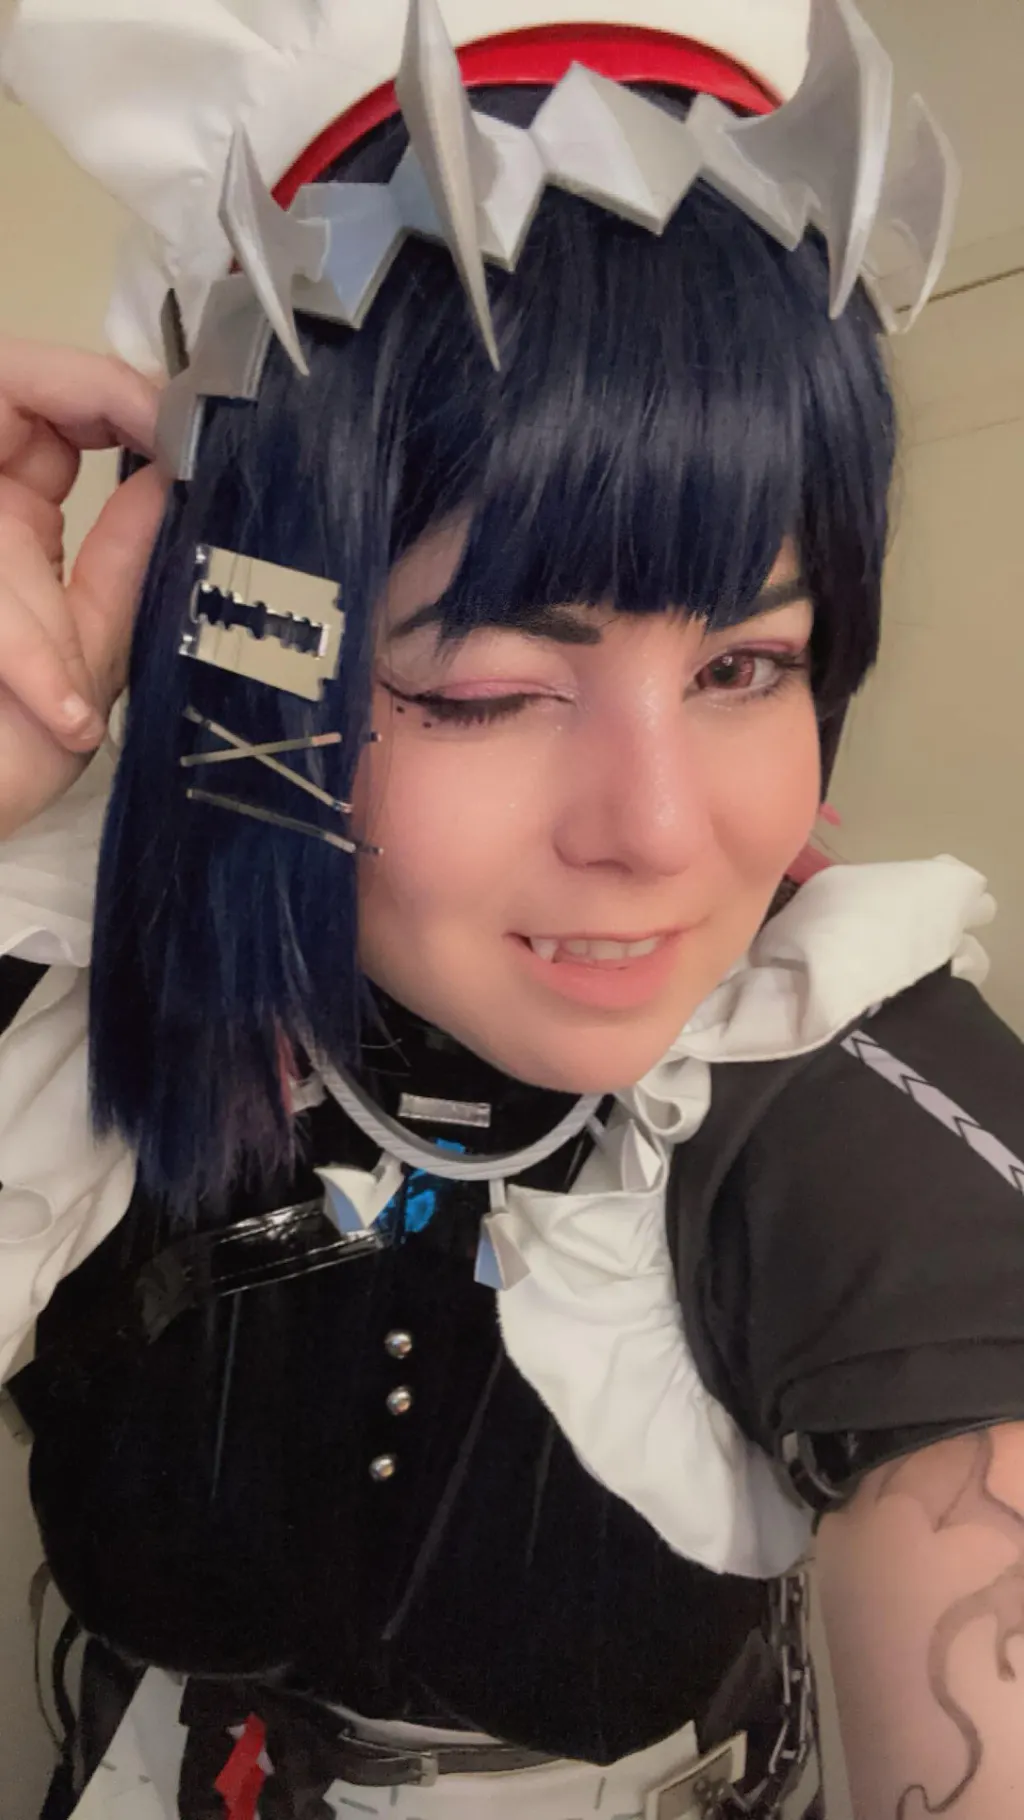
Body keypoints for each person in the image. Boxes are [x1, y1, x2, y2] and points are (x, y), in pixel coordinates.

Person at [2, 1, 1024, 1816]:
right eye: (488, 689)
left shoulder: (824, 1100)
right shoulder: (82, 977)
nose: (662, 835)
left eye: (746, 666)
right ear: (251, 671)